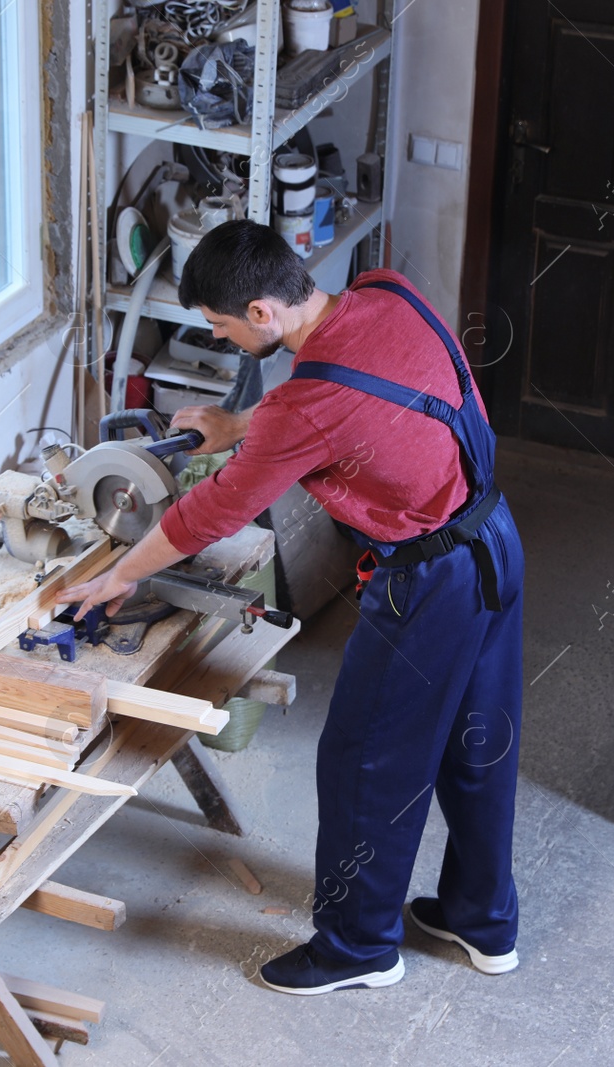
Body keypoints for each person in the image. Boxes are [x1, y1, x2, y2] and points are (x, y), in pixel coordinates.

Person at [61, 219, 524, 995]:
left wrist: (115, 577)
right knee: (475, 744)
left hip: (427, 584)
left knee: (364, 760)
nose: (223, 339)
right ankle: (483, 919)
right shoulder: (385, 291)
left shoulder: (302, 407)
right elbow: (350, 408)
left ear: (263, 312)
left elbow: (205, 515)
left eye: (222, 326)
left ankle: (357, 947)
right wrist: (236, 427)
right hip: (493, 539)